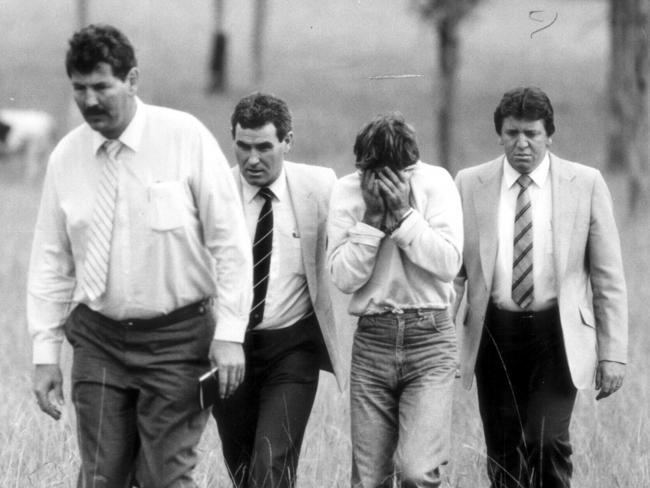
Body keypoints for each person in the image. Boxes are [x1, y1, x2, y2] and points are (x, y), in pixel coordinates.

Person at [27, 24, 252, 488]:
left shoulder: (185, 138)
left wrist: (230, 334)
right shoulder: (66, 159)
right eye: (79, 89)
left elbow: (228, 243)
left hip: (179, 341)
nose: (90, 101)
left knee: (164, 479)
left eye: (102, 86)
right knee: (100, 477)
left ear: (132, 80)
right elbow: (51, 261)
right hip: (99, 341)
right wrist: (45, 353)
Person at [453, 86, 628, 488]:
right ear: (500, 134)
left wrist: (613, 354)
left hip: (557, 335)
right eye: (512, 133)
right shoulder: (469, 183)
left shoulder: (585, 183)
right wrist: (441, 336)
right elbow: (454, 272)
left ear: (550, 134)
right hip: (494, 334)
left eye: (531, 134)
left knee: (546, 441)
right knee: (502, 450)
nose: (522, 144)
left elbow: (608, 277)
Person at [211, 92, 347, 488]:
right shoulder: (214, 192)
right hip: (228, 349)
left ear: (288, 141)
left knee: (271, 465)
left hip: (292, 348)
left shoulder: (320, 186)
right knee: (243, 470)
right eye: (243, 146)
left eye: (264, 147)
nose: (252, 159)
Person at [327, 113, 463, 487]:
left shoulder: (436, 182)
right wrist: (371, 221)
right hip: (373, 338)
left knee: (417, 471)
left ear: (411, 164)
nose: (384, 184)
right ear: (362, 167)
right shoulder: (346, 190)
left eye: (398, 173)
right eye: (372, 174)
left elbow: (449, 263)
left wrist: (404, 215)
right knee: (370, 478)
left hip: (430, 336)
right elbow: (342, 276)